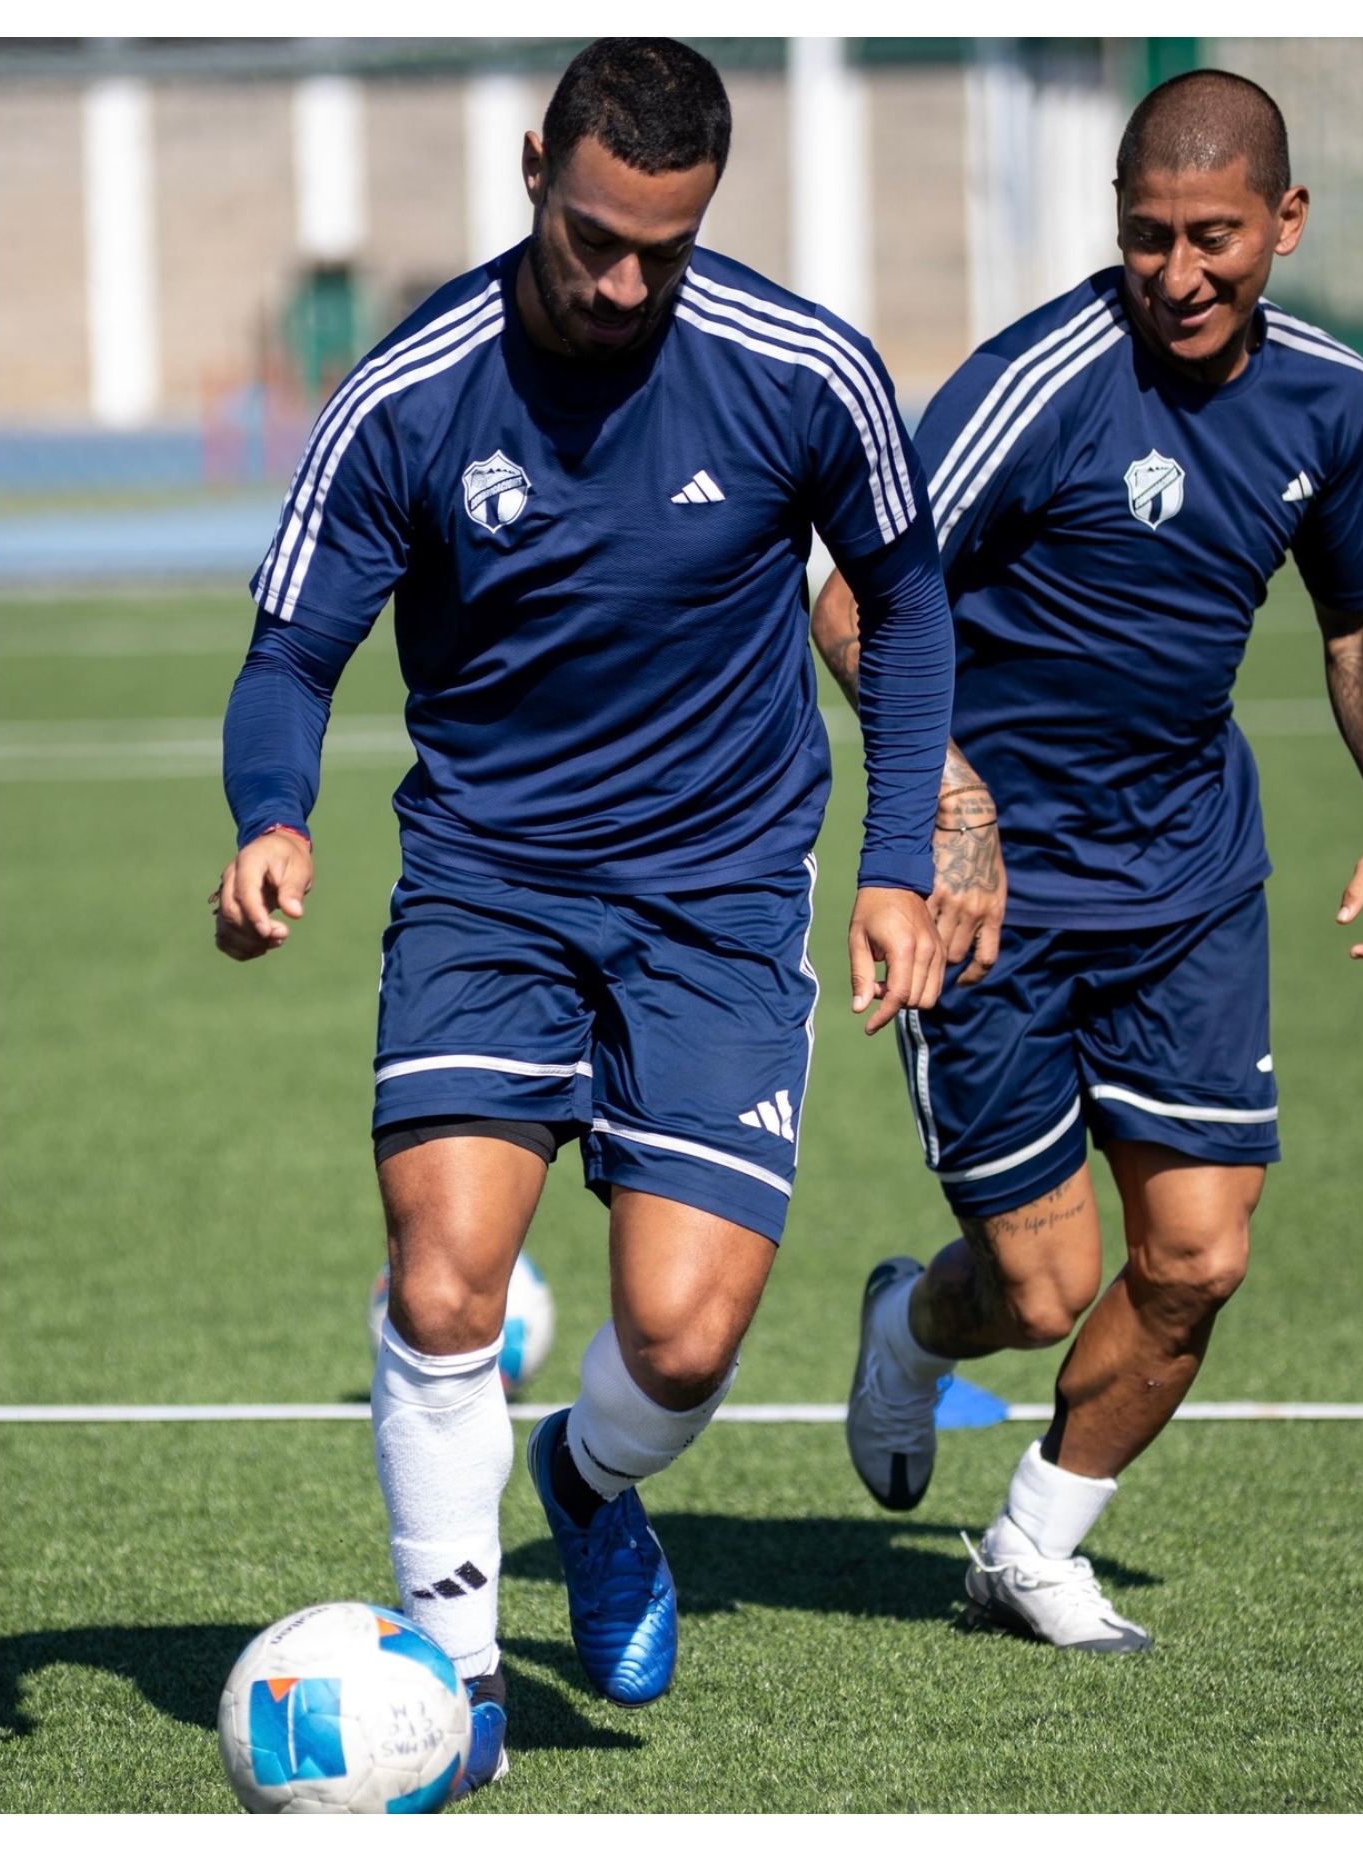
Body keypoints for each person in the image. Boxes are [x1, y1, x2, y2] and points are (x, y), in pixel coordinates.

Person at [211, 38, 953, 1792]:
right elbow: (293, 648)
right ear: (533, 165)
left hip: (717, 892)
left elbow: (907, 610)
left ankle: (588, 1484)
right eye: (595, 238)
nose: (623, 283)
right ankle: (453, 1685)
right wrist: (272, 813)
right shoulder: (409, 389)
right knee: (448, 1274)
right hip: (489, 880)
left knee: (684, 1336)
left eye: (664, 251)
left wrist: (899, 856)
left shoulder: (802, 369)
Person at [821, 69, 1363, 1652]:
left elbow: (1358, 618)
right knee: (1035, 1292)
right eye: (1150, 237)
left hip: (1191, 886)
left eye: (1215, 238)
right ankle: (906, 1326)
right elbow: (854, 595)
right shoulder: (1038, 384)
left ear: (1286, 221)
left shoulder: (1330, 397)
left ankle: (1031, 1544)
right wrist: (948, 802)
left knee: (1197, 1260)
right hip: (996, 903)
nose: (1180, 274)